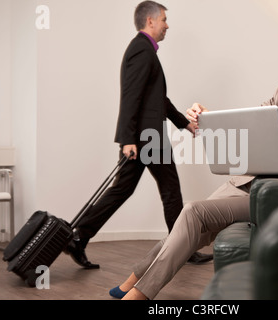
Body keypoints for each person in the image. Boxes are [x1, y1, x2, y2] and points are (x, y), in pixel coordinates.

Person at [109, 26, 278, 300]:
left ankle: (137, 295)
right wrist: (208, 118)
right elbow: (245, 130)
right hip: (249, 180)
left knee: (193, 213)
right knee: (190, 228)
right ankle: (133, 280)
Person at [65, 1, 212, 269]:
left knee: (131, 190)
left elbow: (158, 99)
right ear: (151, 21)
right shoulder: (141, 51)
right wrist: (127, 139)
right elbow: (130, 96)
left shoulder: (145, 51)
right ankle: (184, 248)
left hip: (145, 137)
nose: (167, 25)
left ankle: (79, 237)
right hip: (146, 139)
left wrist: (184, 124)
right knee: (168, 191)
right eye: (164, 19)